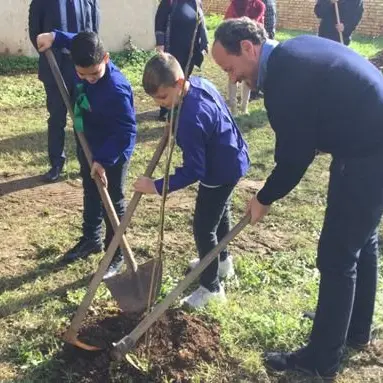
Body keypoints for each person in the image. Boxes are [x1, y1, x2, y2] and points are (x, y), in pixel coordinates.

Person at [212, 17, 383, 379]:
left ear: (248, 47)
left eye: (231, 67)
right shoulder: (292, 52)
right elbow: (317, 117)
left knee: (336, 256)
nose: (233, 77)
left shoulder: (284, 79)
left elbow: (293, 156)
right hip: (366, 144)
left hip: (370, 153)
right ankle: (351, 329)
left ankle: (320, 360)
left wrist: (264, 197)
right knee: (360, 241)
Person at [134, 53, 250, 309]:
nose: (161, 104)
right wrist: (172, 115)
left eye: (163, 97)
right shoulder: (199, 84)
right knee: (221, 213)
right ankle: (222, 262)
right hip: (232, 158)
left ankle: (211, 288)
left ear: (179, 82)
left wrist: (155, 186)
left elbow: (194, 170)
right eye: (155, 99)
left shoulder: (191, 120)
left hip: (218, 171)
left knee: (203, 228)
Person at [36, 31, 137, 279]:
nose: (89, 79)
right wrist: (54, 37)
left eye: (95, 73)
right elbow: (75, 40)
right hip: (88, 139)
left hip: (112, 150)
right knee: (90, 190)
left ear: (106, 58)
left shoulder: (117, 89)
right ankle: (91, 239)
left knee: (112, 198)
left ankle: (116, 253)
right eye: (82, 74)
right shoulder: (84, 54)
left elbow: (126, 131)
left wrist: (103, 160)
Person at [29, 0, 100, 182]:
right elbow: (35, 31)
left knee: (82, 116)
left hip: (81, 70)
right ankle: (56, 164)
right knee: (56, 117)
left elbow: (94, 31)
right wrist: (48, 54)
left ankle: (86, 161)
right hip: (55, 67)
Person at [154, 0, 208, 120]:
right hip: (172, 48)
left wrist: (204, 42)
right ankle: (165, 109)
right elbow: (159, 22)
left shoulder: (196, 2)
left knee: (184, 77)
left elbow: (201, 22)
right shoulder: (168, 2)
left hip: (189, 49)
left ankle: (180, 105)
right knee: (169, 78)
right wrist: (160, 45)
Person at [224, 0, 265, 114]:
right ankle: (233, 108)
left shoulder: (258, 6)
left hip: (250, 48)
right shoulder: (235, 4)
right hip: (234, 46)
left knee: (248, 77)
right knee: (233, 76)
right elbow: (226, 24)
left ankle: (244, 107)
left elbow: (261, 27)